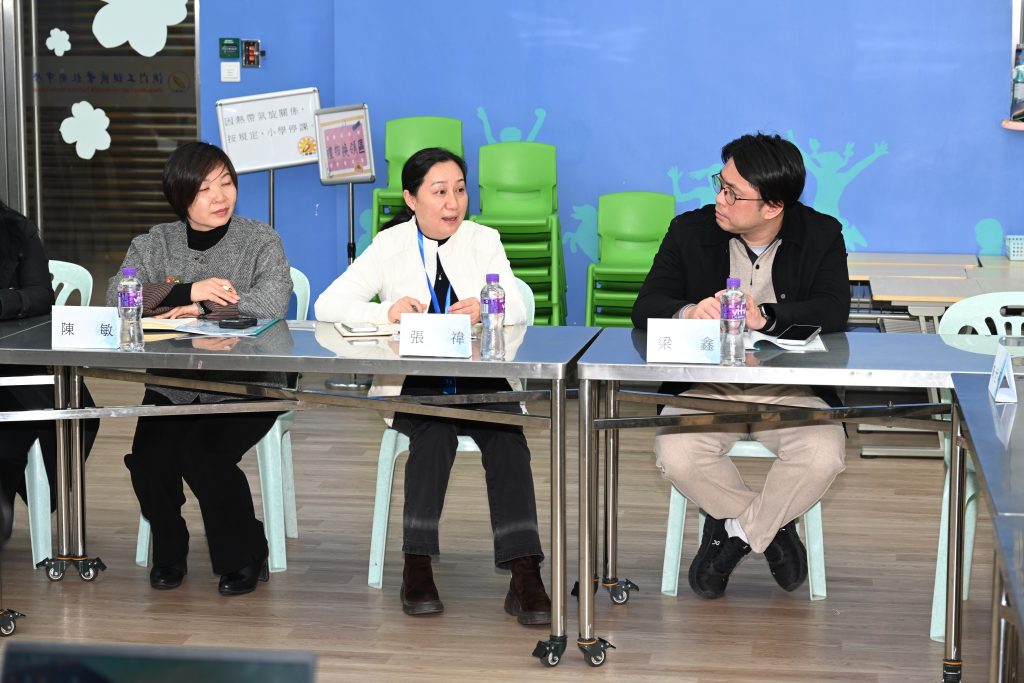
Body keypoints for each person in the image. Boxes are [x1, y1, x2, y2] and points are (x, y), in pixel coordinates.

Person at [314, 147, 551, 625]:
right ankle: (416, 564)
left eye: (460, 190)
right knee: (434, 432)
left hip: (481, 375)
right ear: (411, 198)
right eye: (439, 191)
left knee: (508, 438)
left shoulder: (484, 239)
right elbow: (328, 305)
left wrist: (488, 306)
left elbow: (520, 306)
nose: (453, 203)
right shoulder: (390, 244)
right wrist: (386, 312)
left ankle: (525, 572)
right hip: (414, 379)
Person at [631, 132, 850, 599]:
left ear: (773, 206)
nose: (720, 199)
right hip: (708, 387)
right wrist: (689, 312)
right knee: (677, 452)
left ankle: (733, 536)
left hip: (790, 389)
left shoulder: (822, 234)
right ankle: (770, 528)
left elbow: (834, 310)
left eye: (733, 193)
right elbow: (646, 305)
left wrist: (766, 317)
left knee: (823, 453)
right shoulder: (689, 230)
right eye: (720, 184)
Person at [106, 141, 291, 595]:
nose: (220, 196)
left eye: (226, 183)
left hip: (249, 383)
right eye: (205, 189)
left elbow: (272, 300)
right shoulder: (155, 243)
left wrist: (203, 306)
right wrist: (187, 290)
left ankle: (245, 552)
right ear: (181, 197)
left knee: (204, 455)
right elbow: (117, 295)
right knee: (149, 461)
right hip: (174, 383)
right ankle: (170, 550)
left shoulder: (260, 239)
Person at [0, 200, 98, 544]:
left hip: (18, 361)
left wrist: (3, 301)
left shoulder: (15, 228)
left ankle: (17, 490)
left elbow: (42, 295)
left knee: (77, 412)